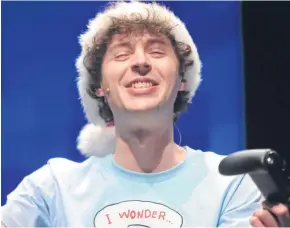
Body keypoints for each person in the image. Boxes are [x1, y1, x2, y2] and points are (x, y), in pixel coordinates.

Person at [1, 1, 289, 227]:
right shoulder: (51, 188)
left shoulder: (231, 183)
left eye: (157, 51)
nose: (140, 62)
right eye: (122, 54)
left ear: (182, 80)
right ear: (99, 86)